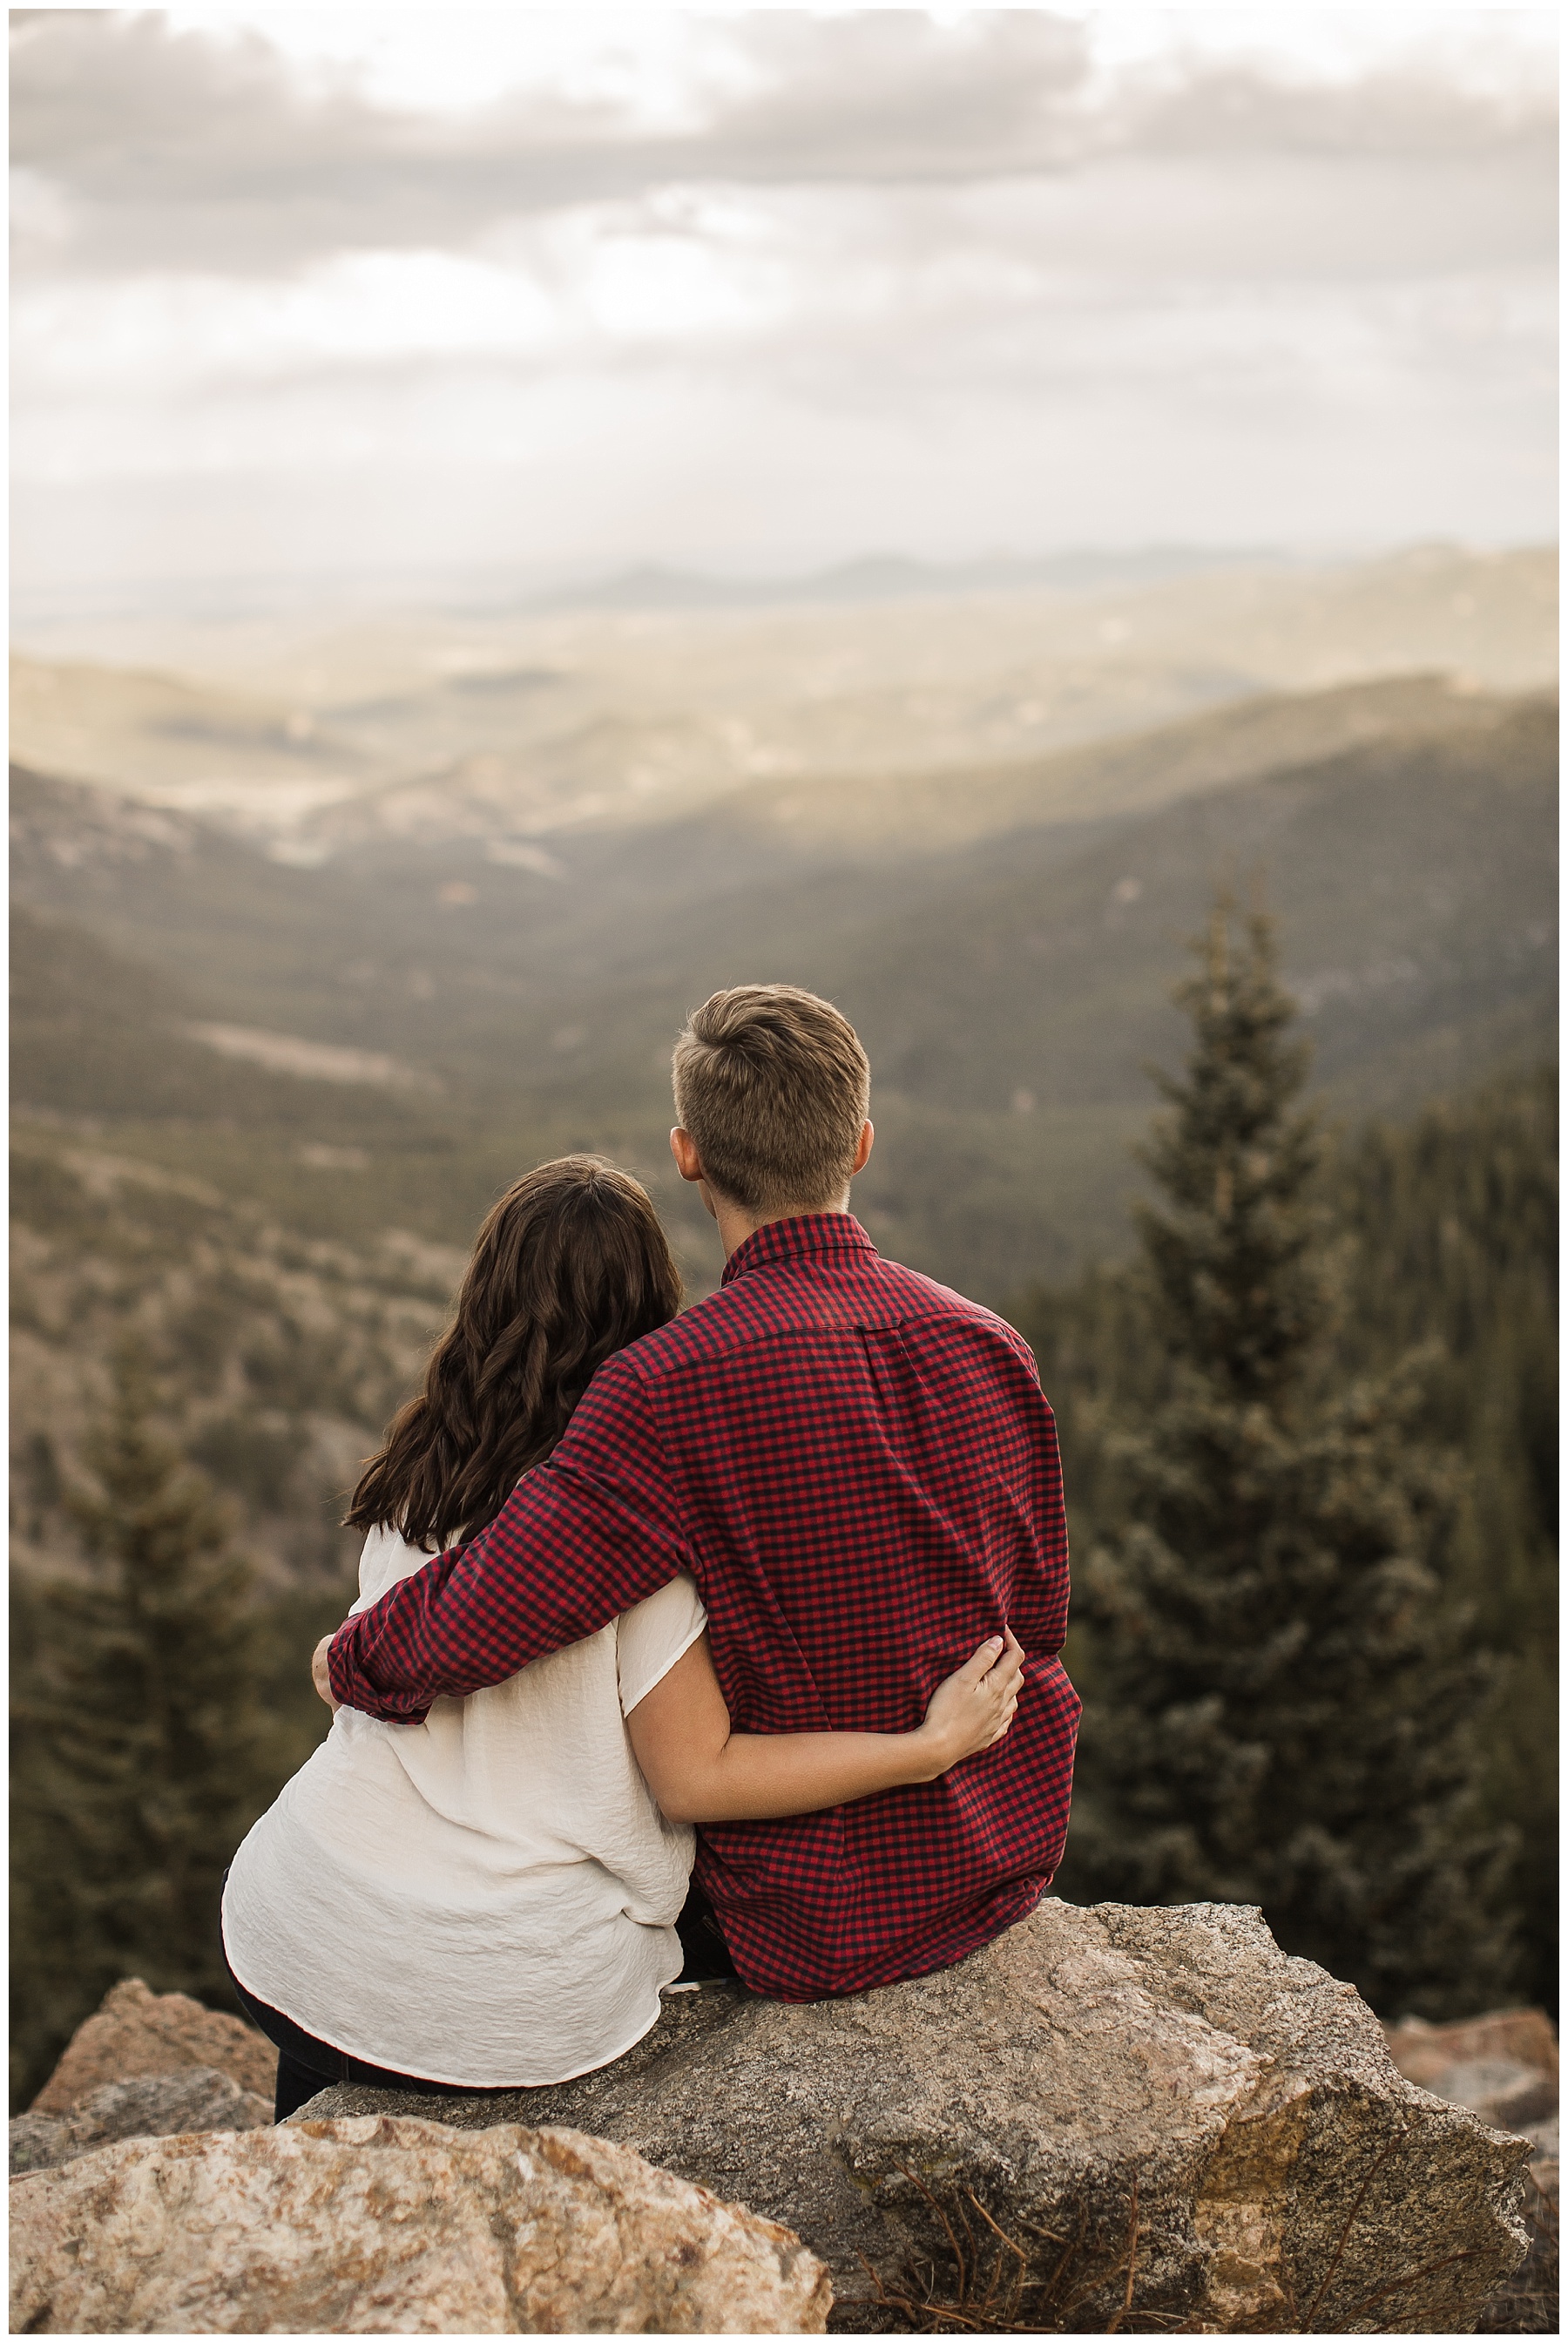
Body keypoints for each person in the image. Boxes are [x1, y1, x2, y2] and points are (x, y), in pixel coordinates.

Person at [224, 1155, 1024, 2118]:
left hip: (300, 1921)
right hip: (507, 1984)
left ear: (485, 1296)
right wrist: (925, 1747)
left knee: (312, 2131)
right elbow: (697, 1776)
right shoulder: (643, 1533)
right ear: (653, 1308)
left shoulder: (418, 1476)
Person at [325, 985, 1079, 2005]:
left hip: (816, 1918)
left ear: (688, 1155)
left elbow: (491, 1608)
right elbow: (1034, 1621)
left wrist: (351, 1656)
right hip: (997, 1858)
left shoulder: (664, 1388)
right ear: (859, 1145)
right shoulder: (990, 1345)